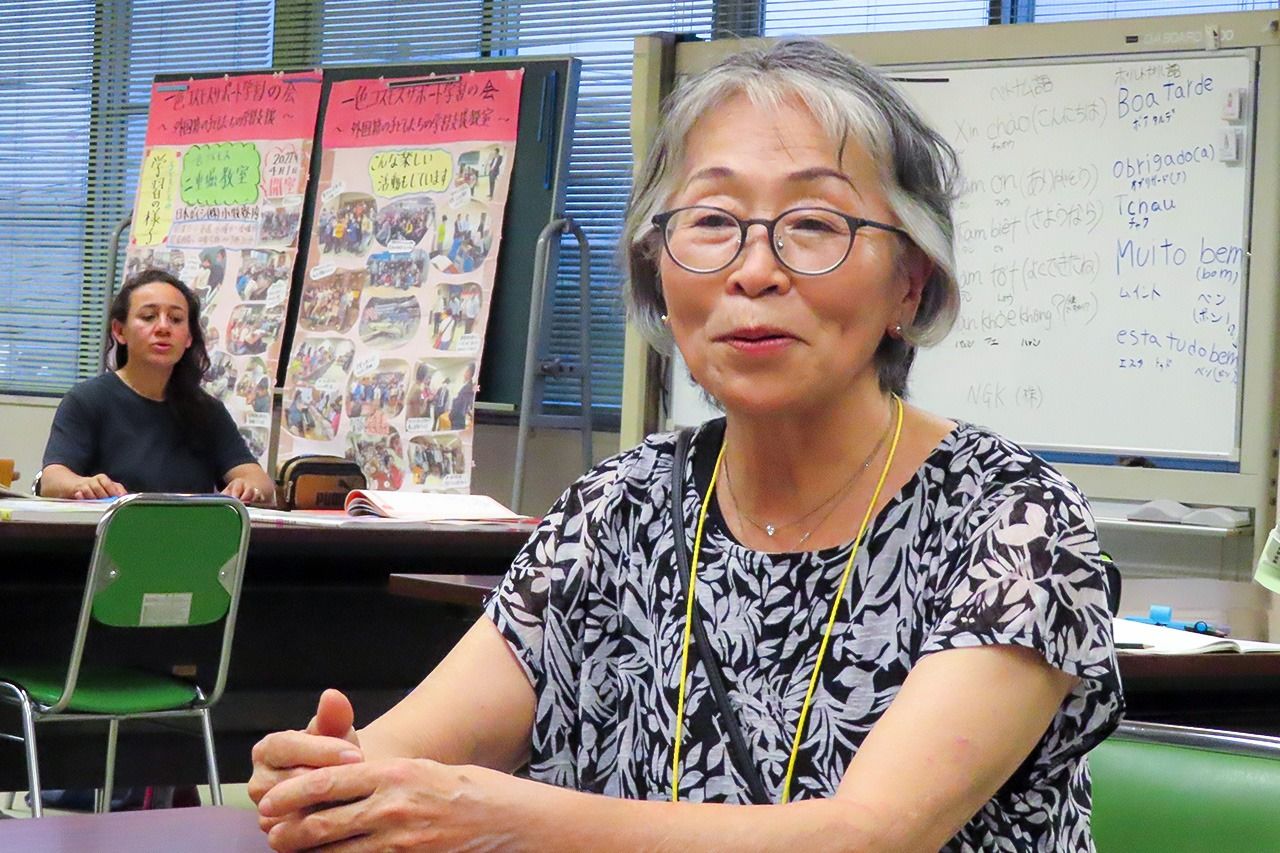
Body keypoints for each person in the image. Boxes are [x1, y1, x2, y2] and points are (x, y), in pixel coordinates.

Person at [249, 40, 1121, 852]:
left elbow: (868, 835)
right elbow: (405, 752)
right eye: (711, 221)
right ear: (658, 275)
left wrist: (496, 815)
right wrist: (327, 774)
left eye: (815, 224)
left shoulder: (1014, 524)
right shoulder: (617, 507)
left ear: (911, 284)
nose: (754, 269)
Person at [40, 268, 275, 504]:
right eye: (149, 316)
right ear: (120, 331)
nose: (163, 327)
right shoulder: (87, 400)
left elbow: (259, 481)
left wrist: (247, 485)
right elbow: (52, 480)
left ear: (189, 338)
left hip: (189, 535)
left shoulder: (207, 410)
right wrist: (81, 484)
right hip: (110, 535)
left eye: (175, 319)